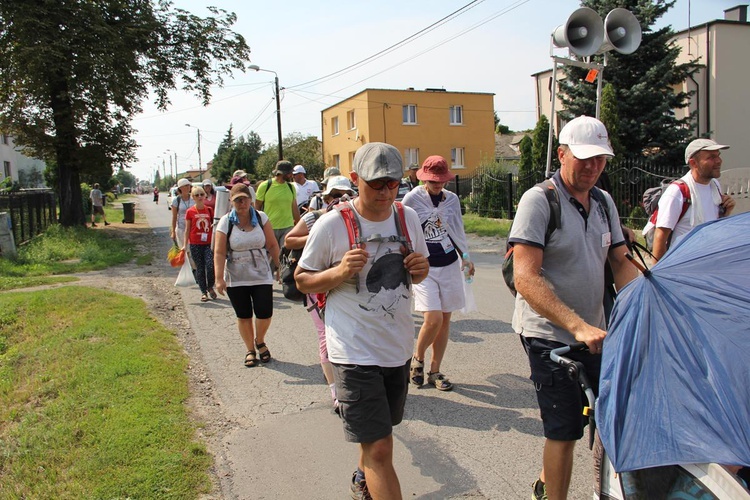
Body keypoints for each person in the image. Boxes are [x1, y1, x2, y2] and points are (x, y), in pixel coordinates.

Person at [508, 116, 638, 500]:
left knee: (607, 418)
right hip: (550, 336)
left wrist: (637, 313)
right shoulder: (539, 200)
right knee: (564, 429)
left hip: (596, 333)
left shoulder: (602, 201)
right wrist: (576, 326)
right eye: (584, 158)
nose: (593, 167)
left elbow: (620, 261)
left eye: (600, 159)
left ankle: (548, 482)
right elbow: (526, 279)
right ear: (561, 154)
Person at [295, 142, 429, 500]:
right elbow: (302, 279)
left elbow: (418, 273)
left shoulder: (407, 218)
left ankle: (362, 478)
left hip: (396, 348)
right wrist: (339, 271)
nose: (386, 192)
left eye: (393, 184)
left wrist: (420, 268)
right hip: (353, 351)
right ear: (356, 180)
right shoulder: (332, 224)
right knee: (382, 449)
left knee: (377, 437)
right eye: (377, 184)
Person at [284, 175, 355, 413]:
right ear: (326, 197)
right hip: (317, 287)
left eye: (346, 194)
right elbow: (289, 240)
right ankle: (335, 390)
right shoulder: (314, 217)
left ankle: (354, 385)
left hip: (347, 287)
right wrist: (315, 234)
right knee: (326, 335)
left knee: (350, 335)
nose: (341, 199)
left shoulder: (358, 219)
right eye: (335, 195)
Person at [402, 155, 473, 392]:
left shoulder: (451, 200)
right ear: (424, 179)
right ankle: (418, 358)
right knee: (433, 319)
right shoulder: (413, 199)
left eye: (441, 181)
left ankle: (435, 370)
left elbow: (457, 229)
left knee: (445, 320)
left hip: (449, 263)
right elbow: (405, 230)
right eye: (433, 181)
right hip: (425, 267)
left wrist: (466, 257)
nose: (437, 185)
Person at [213, 183, 280, 367]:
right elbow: (219, 252)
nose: (242, 203)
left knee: (265, 313)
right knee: (243, 315)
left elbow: (273, 245)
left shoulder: (260, 217)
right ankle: (250, 349)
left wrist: (280, 267)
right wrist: (219, 278)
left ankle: (260, 340)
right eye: (237, 200)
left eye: (244, 198)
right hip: (236, 275)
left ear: (251, 199)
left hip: (261, 273)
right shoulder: (226, 221)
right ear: (231, 201)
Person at [647, 138, 736, 261]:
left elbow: (712, 226)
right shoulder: (677, 192)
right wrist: (658, 276)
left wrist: (726, 212)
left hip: (707, 263)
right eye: (711, 157)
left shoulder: (715, 185)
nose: (718, 161)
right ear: (693, 163)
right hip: (681, 267)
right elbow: (660, 237)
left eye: (718, 156)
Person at [255, 160, 300, 255]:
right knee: (271, 258)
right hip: (269, 227)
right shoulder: (265, 186)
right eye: (289, 173)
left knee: (285, 258)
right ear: (281, 173)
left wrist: (299, 226)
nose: (292, 175)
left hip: (288, 227)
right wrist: (257, 226)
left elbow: (294, 208)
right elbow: (257, 207)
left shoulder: (291, 187)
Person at [184, 185, 216, 303]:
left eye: (201, 194)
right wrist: (184, 245)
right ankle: (204, 292)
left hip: (208, 243)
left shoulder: (209, 210)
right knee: (200, 268)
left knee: (210, 265)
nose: (199, 197)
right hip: (195, 243)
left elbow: (215, 224)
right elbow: (187, 229)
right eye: (196, 195)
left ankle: (210, 286)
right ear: (193, 197)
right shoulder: (190, 211)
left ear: (205, 196)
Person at [170, 178, 195, 248]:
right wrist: (173, 232)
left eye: (189, 186)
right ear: (180, 188)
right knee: (184, 250)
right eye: (186, 186)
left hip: (193, 229)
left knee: (192, 250)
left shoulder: (193, 198)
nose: (188, 187)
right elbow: (174, 217)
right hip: (181, 228)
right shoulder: (176, 200)